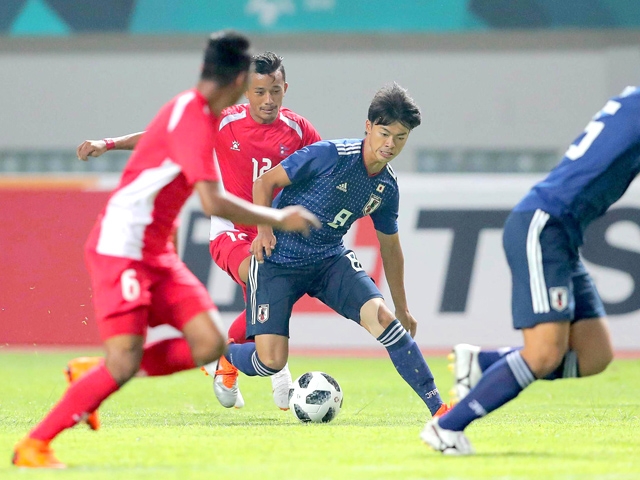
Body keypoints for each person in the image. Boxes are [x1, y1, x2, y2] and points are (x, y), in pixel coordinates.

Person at [12, 31, 320, 469]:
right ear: (238, 82)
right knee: (123, 361)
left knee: (209, 343)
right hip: (122, 248)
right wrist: (277, 219)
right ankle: (36, 444)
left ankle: (93, 376)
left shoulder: (188, 108)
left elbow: (154, 136)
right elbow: (213, 202)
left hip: (155, 252)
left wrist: (109, 142)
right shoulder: (197, 121)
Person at [76, 51, 322, 410]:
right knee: (266, 280)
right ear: (245, 91)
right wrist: (109, 143)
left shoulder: (300, 129)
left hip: (274, 234)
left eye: (275, 91)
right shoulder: (225, 121)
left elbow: (324, 167)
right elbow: (163, 137)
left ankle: (235, 362)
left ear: (285, 88)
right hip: (231, 233)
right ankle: (262, 367)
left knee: (270, 297)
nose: (268, 100)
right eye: (259, 92)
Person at [419, 86, 640, 455]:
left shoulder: (632, 99)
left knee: (594, 354)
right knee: (543, 354)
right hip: (545, 226)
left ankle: (482, 361)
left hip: (560, 234)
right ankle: (446, 427)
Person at [213, 82, 450, 418]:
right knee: (270, 362)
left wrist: (403, 307)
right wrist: (264, 229)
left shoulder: (387, 186)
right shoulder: (330, 155)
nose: (390, 144)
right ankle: (225, 356)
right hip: (278, 262)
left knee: (384, 319)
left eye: (400, 137)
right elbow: (264, 182)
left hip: (329, 261)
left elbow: (391, 248)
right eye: (384, 133)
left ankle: (439, 409)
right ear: (368, 127)